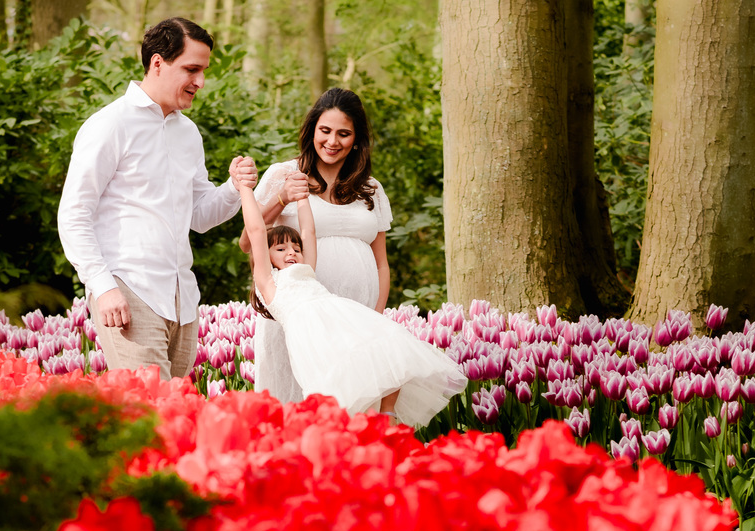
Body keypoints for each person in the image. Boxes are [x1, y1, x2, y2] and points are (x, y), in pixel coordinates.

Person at [58, 17, 258, 377]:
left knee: (175, 419)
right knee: (150, 415)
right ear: (157, 64)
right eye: (191, 69)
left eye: (203, 71)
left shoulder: (188, 132)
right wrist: (103, 287)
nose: (200, 82)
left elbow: (198, 216)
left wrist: (233, 187)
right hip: (129, 291)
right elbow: (74, 214)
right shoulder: (110, 125)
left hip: (183, 299)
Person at [236, 174, 465, 427]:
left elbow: (308, 230)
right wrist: (245, 188)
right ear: (266, 258)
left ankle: (388, 415)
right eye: (281, 249)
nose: (291, 252)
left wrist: (302, 198)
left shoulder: (307, 269)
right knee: (344, 390)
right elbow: (256, 231)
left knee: (390, 350)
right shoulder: (269, 282)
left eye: (295, 248)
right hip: (313, 338)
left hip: (342, 320)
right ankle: (361, 431)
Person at [242, 88, 391, 403]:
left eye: (344, 133)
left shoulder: (371, 188)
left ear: (357, 139)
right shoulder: (284, 173)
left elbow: (381, 263)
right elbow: (247, 241)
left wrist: (377, 316)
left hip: (357, 314)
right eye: (325, 131)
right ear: (312, 131)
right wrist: (281, 196)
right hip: (297, 313)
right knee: (296, 397)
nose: (332, 141)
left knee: (354, 400)